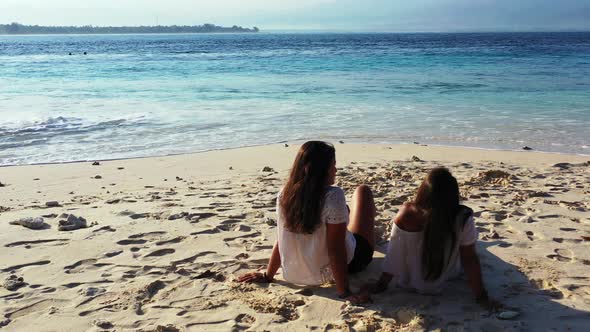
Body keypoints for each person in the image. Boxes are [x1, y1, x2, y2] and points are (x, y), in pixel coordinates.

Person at [238, 141, 376, 300]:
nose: (335, 170)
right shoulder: (333, 195)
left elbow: (282, 237)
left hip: (301, 270)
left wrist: (268, 275)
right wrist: (344, 292)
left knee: (341, 211)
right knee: (362, 191)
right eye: (333, 165)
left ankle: (347, 222)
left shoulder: (285, 193)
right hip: (351, 261)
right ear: (319, 170)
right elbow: (336, 249)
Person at [361, 167, 498, 309]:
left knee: (389, 244)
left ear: (422, 193)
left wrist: (381, 284)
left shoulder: (406, 214)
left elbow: (394, 256)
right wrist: (481, 296)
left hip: (407, 281)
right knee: (470, 248)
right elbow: (469, 260)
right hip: (445, 277)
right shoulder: (462, 218)